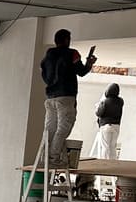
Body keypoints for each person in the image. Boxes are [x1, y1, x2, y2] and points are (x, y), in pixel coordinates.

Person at [39, 29, 96, 167]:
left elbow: (43, 71)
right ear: (66, 40)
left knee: (50, 128)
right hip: (66, 96)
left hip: (50, 97)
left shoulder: (49, 54)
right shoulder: (72, 53)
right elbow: (81, 71)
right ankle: (53, 158)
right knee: (64, 127)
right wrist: (89, 63)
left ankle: (44, 157)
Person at [94, 83, 123, 160]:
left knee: (105, 147)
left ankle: (105, 163)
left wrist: (98, 106)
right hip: (116, 126)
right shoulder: (120, 101)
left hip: (106, 126)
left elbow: (99, 113)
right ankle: (113, 162)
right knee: (113, 147)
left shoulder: (104, 102)